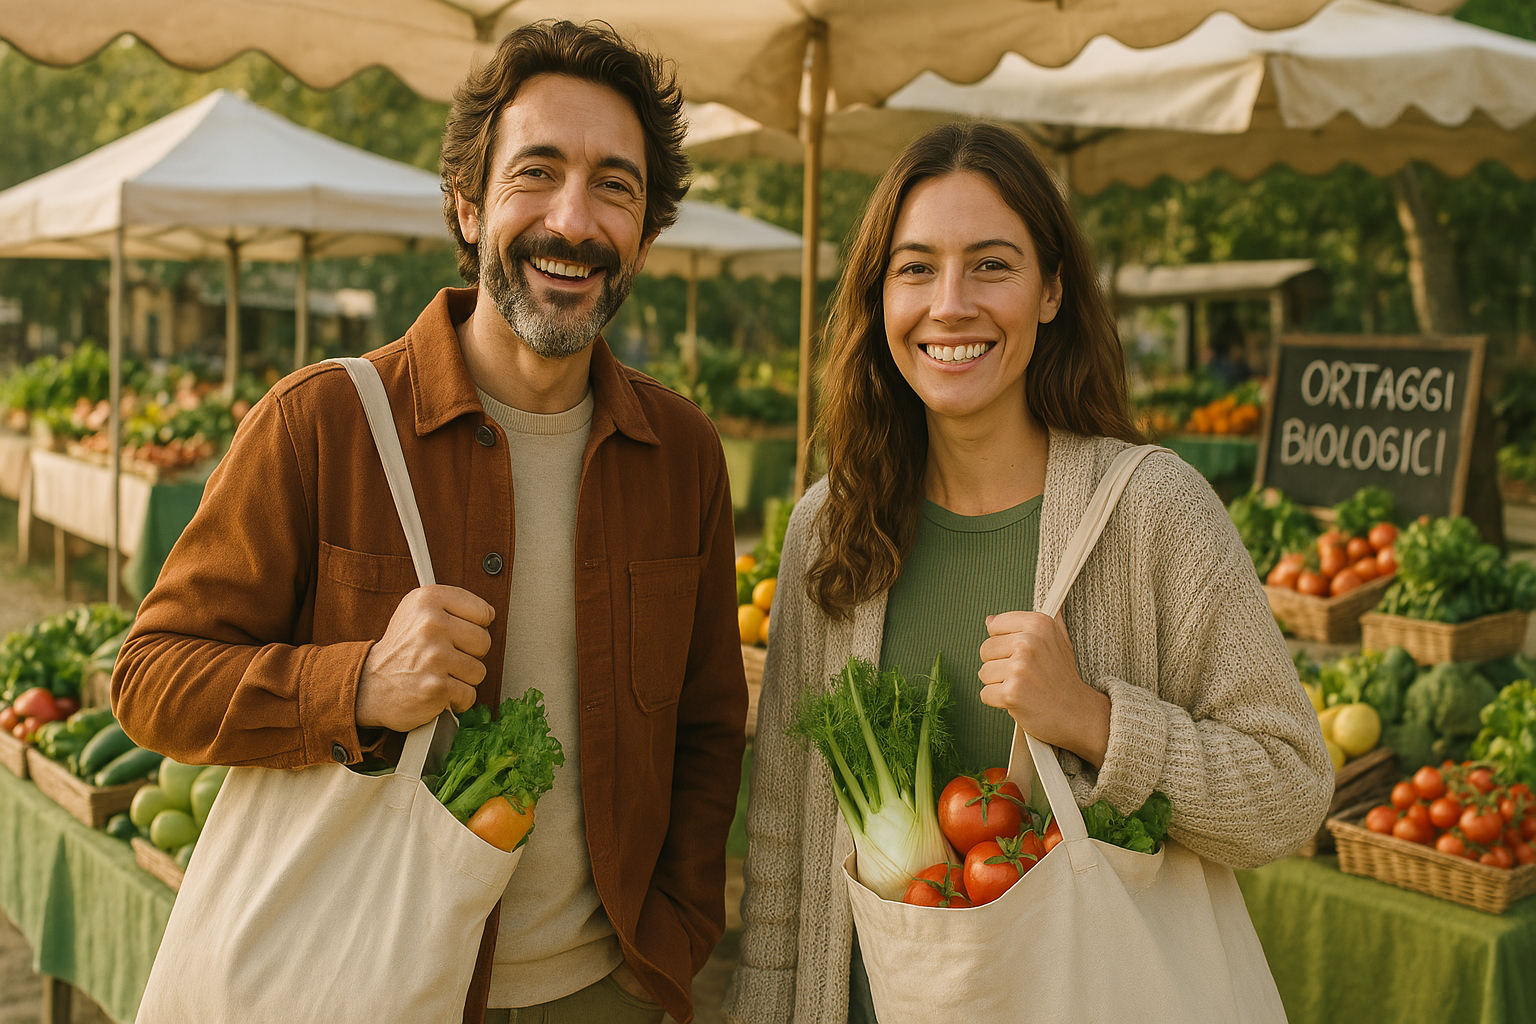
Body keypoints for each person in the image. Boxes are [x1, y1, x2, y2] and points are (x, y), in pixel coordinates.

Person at [113, 21, 746, 1024]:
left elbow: (708, 730)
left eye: (615, 187)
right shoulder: (321, 423)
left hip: (598, 991)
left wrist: (669, 941)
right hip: (357, 985)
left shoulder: (682, 455)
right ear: (467, 203)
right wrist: (357, 683)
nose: (573, 220)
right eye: (536, 172)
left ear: (646, 233)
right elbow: (151, 679)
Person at [722, 121, 1332, 1024]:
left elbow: (1290, 790)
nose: (951, 304)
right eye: (916, 267)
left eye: (992, 265)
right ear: (878, 297)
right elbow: (783, 838)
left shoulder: (1152, 511)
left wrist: (1095, 721)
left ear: (1051, 290)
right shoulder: (829, 527)